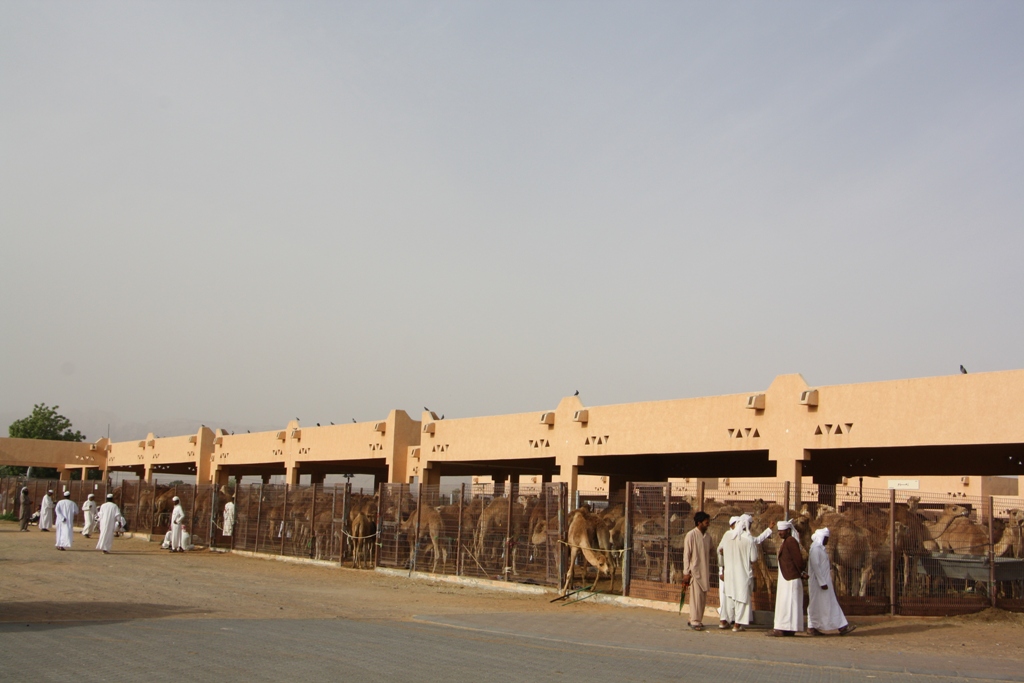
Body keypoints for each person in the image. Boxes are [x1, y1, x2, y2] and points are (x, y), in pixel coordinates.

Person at [720, 514, 772, 632]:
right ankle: (737, 624)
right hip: (742, 574)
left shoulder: (727, 535)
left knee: (729, 597)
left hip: (729, 574)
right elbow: (753, 558)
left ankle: (723, 621)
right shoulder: (748, 539)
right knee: (742, 598)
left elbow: (720, 550)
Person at [807, 528, 857, 636]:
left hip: (824, 582)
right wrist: (822, 582)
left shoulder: (820, 549)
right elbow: (815, 566)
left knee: (830, 603)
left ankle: (842, 626)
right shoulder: (815, 549)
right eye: (826, 538)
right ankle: (813, 627)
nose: (827, 541)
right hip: (819, 584)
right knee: (816, 605)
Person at [768, 520, 806, 637]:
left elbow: (798, 559)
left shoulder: (791, 541)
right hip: (787, 578)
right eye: (779, 531)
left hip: (791, 578)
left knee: (789, 604)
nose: (780, 533)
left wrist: (801, 572)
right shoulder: (787, 541)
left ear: (788, 530)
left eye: (782, 531)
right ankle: (786, 628)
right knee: (786, 604)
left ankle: (784, 628)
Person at [682, 511, 712, 631]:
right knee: (695, 598)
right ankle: (694, 621)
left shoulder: (708, 537)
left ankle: (696, 619)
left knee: (702, 598)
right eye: (706, 522)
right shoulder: (691, 535)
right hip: (694, 572)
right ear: (699, 523)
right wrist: (686, 572)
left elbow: (711, 551)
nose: (708, 524)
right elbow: (686, 555)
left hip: (705, 572)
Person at [717, 516, 741, 629]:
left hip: (734, 572)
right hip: (727, 571)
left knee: (731, 597)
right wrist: (722, 569)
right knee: (727, 597)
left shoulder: (740, 536)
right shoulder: (728, 535)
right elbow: (720, 551)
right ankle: (727, 620)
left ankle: (731, 620)